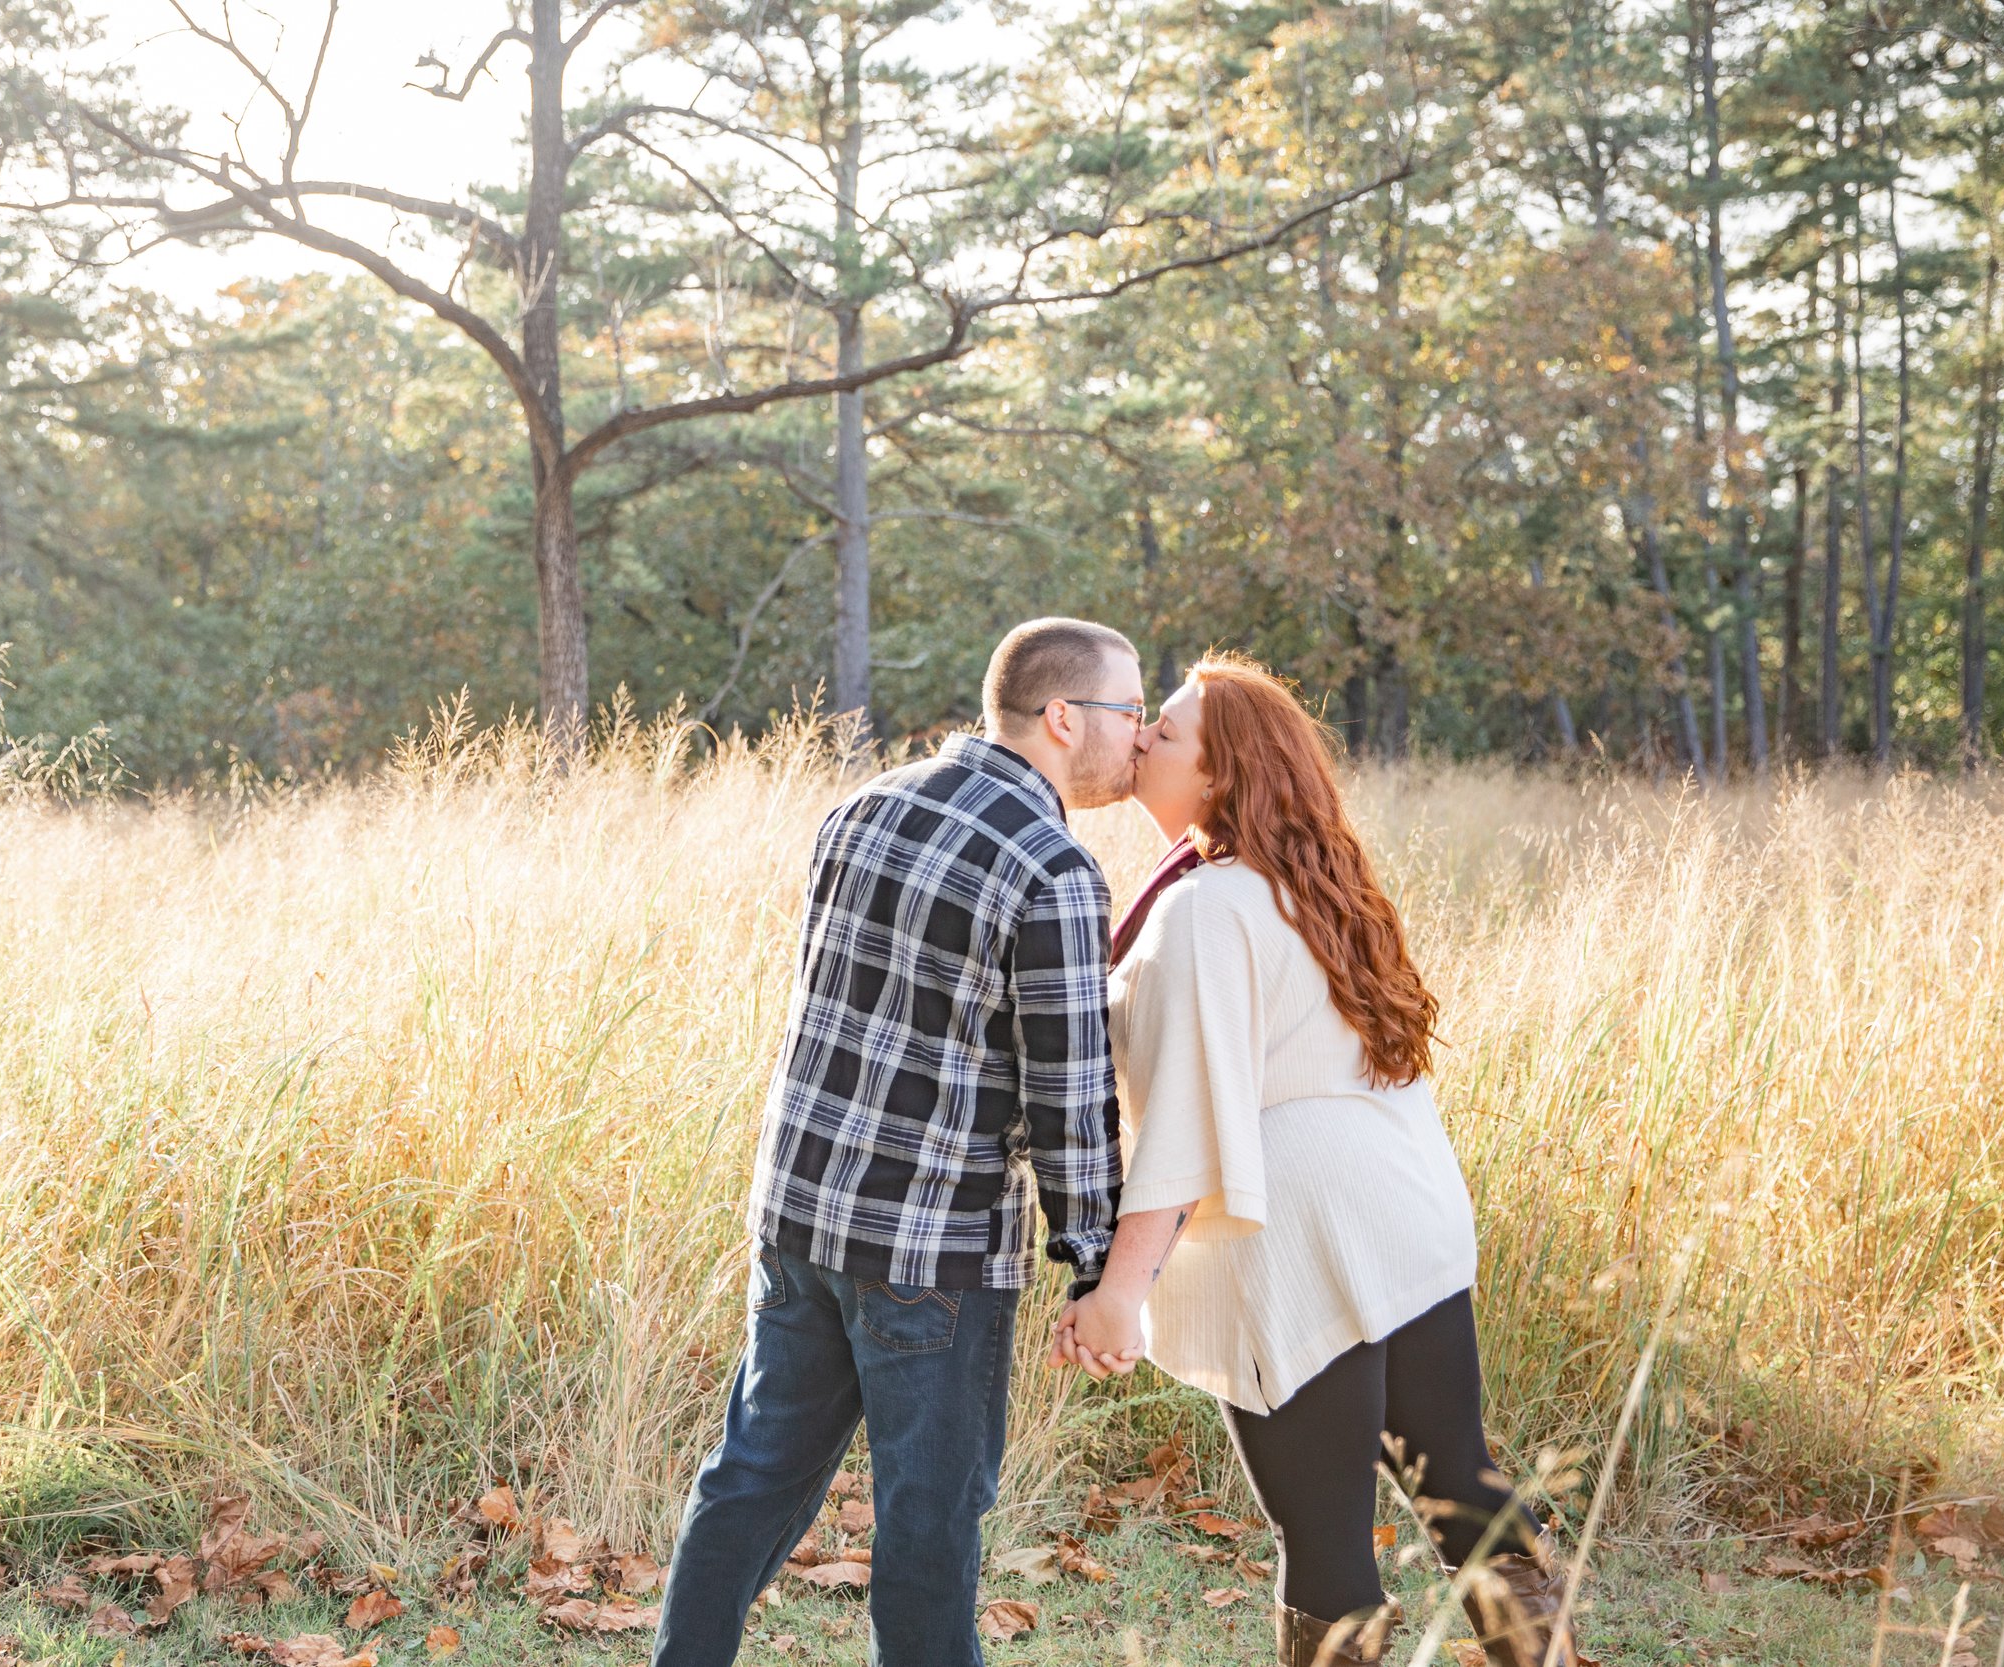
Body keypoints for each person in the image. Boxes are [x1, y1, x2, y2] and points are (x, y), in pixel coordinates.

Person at [1052, 653, 1579, 1667]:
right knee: (1458, 1484)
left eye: (1164, 729)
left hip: (1298, 1229)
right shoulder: (1315, 885)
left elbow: (1187, 1124)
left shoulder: (1205, 908)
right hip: (1408, 1205)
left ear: (1218, 776)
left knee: (1327, 1530)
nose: (1142, 737)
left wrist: (1122, 1287)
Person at [652, 618, 1151, 1667]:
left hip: (800, 1218)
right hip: (930, 1252)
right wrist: (1100, 1264)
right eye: (1130, 710)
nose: (1139, 735)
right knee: (929, 1521)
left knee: (749, 1477)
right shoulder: (1050, 865)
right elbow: (1070, 1096)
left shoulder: (859, 808)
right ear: (1063, 717)